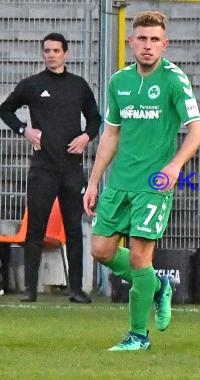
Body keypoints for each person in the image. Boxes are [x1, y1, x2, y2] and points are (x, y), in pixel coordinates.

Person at [83, 11, 200, 351]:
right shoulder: (118, 81)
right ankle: (158, 285)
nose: (148, 46)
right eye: (142, 39)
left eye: (154, 40)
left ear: (165, 45)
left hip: (154, 184)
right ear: (130, 42)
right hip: (119, 182)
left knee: (139, 258)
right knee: (101, 250)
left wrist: (176, 165)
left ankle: (138, 336)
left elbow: (198, 130)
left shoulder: (174, 80)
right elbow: (111, 133)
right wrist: (94, 182)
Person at [0, 32, 101, 303]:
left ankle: (77, 289)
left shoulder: (78, 85)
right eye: (47, 50)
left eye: (56, 50)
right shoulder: (32, 84)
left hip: (71, 169)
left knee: (73, 229)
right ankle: (30, 289)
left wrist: (85, 137)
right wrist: (24, 130)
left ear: (65, 53)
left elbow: (95, 118)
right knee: (35, 228)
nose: (51, 54)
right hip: (42, 168)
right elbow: (5, 109)